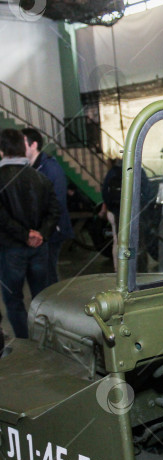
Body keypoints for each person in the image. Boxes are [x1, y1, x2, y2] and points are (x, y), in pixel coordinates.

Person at [0, 129, 60, 339]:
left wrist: (25, 235)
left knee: (14, 301)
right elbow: (54, 211)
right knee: (41, 298)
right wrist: (40, 234)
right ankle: (45, 340)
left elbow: (2, 218)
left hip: (10, 250)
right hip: (39, 249)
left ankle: (25, 343)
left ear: (1, 151)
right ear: (22, 148)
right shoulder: (40, 178)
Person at [21, 128, 74, 286]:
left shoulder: (50, 168)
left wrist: (42, 231)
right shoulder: (29, 168)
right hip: (39, 231)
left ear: (34, 145)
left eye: (22, 143)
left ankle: (52, 308)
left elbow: (56, 204)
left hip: (51, 231)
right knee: (40, 275)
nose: (18, 147)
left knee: (47, 276)